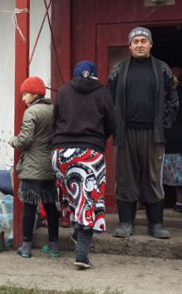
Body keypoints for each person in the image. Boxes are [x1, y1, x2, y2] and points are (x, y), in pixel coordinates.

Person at [108, 27, 178, 239]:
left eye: (143, 41)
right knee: (125, 178)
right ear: (129, 46)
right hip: (126, 134)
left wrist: (163, 125)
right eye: (135, 41)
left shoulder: (162, 68)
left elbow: (172, 101)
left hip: (153, 134)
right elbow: (108, 101)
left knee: (153, 178)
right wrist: (115, 127)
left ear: (150, 44)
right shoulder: (119, 70)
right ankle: (125, 224)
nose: (139, 44)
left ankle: (155, 224)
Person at [53, 61, 115, 269]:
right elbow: (111, 124)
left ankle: (77, 233)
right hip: (88, 153)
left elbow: (55, 121)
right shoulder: (102, 91)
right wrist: (97, 141)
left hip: (61, 154)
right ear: (95, 75)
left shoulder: (63, 90)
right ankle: (81, 255)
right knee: (90, 201)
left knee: (75, 197)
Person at [9, 76, 59, 259]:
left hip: (32, 167)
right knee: (51, 206)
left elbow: (25, 139)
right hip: (49, 167)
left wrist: (12, 140)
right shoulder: (53, 110)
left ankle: (27, 246)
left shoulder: (31, 112)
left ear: (34, 93)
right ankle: (53, 245)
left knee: (30, 206)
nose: (23, 99)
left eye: (25, 94)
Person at [163, 67, 182, 213]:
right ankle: (178, 202)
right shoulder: (164, 95)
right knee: (179, 170)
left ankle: (175, 202)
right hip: (175, 136)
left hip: (178, 135)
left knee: (177, 170)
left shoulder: (171, 95)